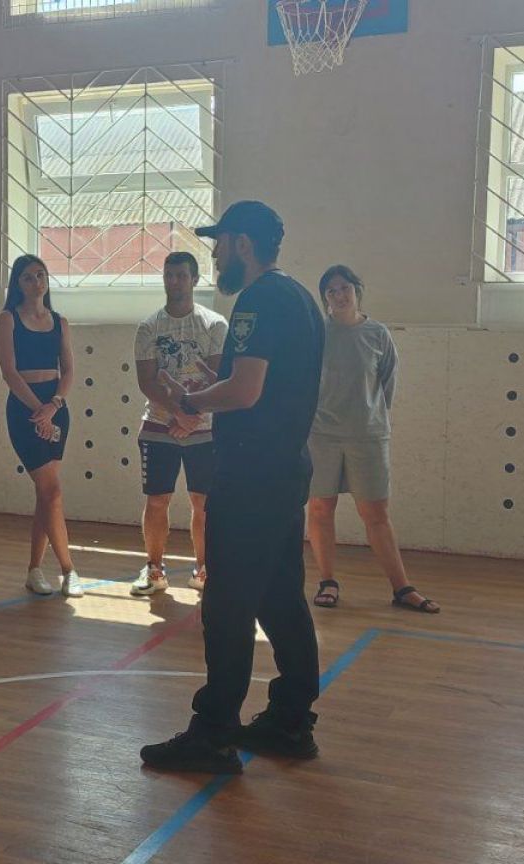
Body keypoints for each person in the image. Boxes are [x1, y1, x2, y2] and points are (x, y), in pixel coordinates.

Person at [140, 200, 326, 775]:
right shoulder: (300, 298)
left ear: (243, 244)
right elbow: (265, 385)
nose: (216, 255)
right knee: (279, 596)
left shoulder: (258, 300)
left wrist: (191, 399)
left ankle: (214, 734)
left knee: (227, 605)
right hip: (284, 469)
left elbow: (245, 391)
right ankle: (291, 720)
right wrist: (212, 387)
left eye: (219, 244)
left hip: (250, 476)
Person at [306, 265, 439, 614]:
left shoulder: (378, 334)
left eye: (344, 288)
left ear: (357, 291)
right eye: (331, 290)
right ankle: (327, 582)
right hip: (322, 435)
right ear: (325, 297)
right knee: (320, 508)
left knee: (375, 513)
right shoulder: (316, 333)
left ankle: (402, 588)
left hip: (368, 435)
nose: (339, 295)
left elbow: (387, 384)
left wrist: (371, 418)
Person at [130, 251, 226, 596]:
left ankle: (204, 570)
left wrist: (192, 415)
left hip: (205, 428)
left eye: (182, 275)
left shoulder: (214, 325)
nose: (174, 282)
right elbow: (147, 381)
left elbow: (218, 377)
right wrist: (177, 413)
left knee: (203, 502)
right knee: (157, 500)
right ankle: (154, 569)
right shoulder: (149, 328)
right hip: (159, 426)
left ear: (195, 279)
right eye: (169, 275)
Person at [0, 254, 81, 598]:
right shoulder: (8, 319)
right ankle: (68, 569)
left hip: (55, 407)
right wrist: (39, 411)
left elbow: (69, 370)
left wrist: (54, 405)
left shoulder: (59, 321)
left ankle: (34, 570)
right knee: (52, 492)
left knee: (46, 494)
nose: (36, 282)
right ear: (17, 283)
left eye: (41, 275)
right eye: (28, 277)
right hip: (25, 409)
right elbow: (8, 371)